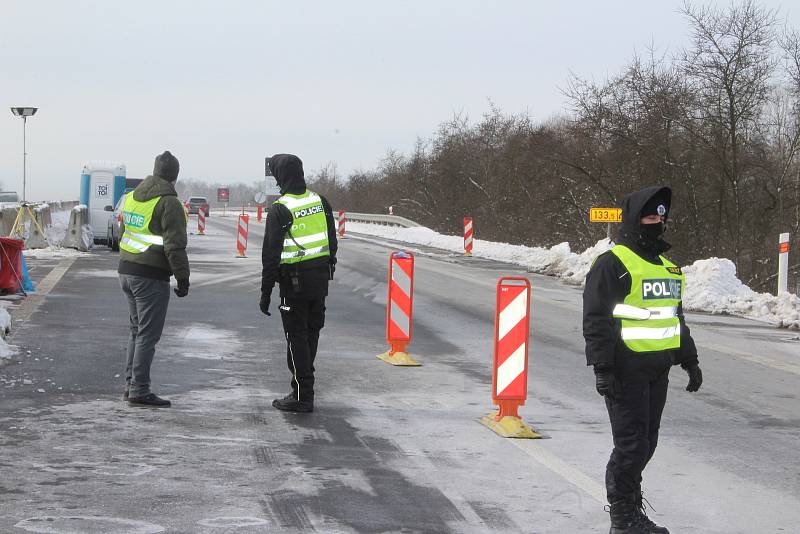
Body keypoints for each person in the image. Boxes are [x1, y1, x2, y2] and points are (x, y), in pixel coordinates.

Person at [583, 186, 703, 534]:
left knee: (646, 443)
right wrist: (602, 367)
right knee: (631, 446)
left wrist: (689, 359)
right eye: (651, 217)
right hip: (625, 371)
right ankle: (623, 518)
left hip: (657, 371)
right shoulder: (612, 263)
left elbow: (673, 318)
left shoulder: (668, 268)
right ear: (635, 220)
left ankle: (631, 509)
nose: (658, 222)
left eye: (661, 217)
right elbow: (596, 319)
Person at [260, 153, 337, 413]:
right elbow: (332, 242)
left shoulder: (281, 209)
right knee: (310, 334)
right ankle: (303, 387)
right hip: (320, 282)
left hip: (294, 285)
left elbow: (270, 256)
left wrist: (265, 291)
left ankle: (303, 395)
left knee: (296, 337)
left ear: (282, 176)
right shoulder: (320, 201)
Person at [118, 151, 190, 408]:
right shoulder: (169, 203)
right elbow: (175, 247)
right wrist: (183, 279)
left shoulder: (133, 196)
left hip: (126, 270)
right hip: (150, 276)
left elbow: (122, 230)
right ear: (174, 176)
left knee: (136, 331)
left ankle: (130, 385)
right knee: (147, 334)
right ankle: (139, 389)